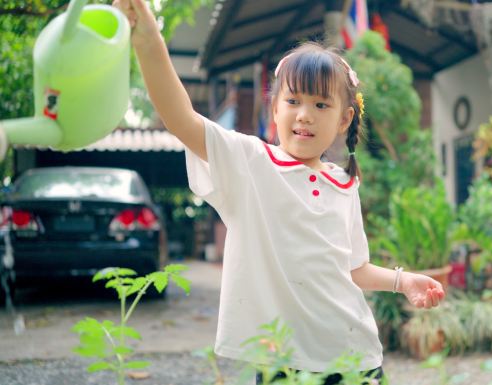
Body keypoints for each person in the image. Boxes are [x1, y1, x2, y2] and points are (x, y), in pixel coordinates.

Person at [112, 1, 446, 384]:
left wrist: (404, 282)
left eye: (321, 104)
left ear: (344, 119)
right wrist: (148, 39)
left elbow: (354, 269)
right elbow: (179, 117)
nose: (304, 114)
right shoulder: (250, 164)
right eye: (293, 101)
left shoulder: (344, 184)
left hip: (356, 357)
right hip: (283, 362)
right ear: (274, 110)